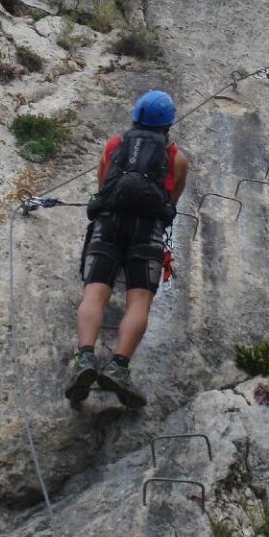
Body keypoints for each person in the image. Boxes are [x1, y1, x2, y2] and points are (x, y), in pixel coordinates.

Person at [64, 90, 189, 408]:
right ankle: (119, 367)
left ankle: (85, 358)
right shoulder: (176, 157)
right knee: (139, 301)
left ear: (135, 116)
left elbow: (103, 187)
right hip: (147, 230)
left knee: (95, 292)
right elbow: (171, 204)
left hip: (108, 223)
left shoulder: (113, 146)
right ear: (168, 124)